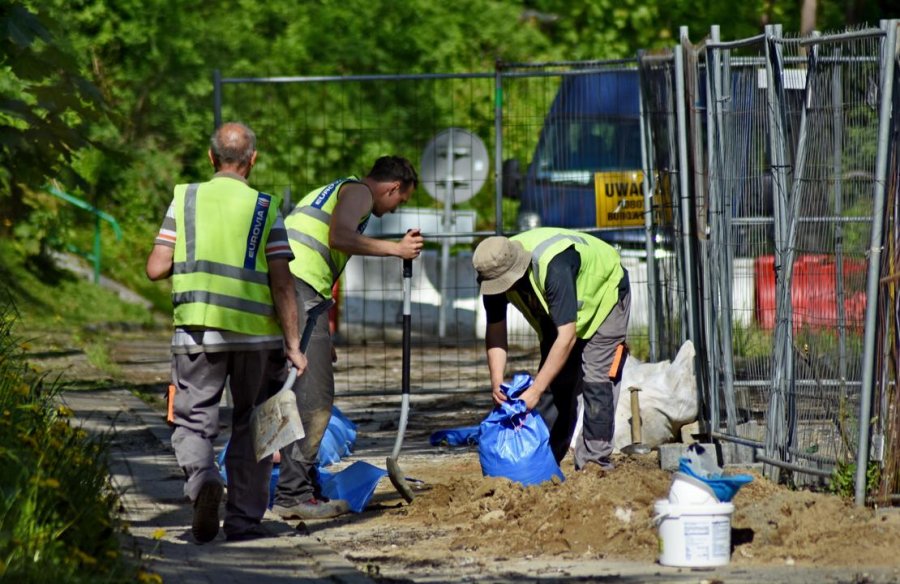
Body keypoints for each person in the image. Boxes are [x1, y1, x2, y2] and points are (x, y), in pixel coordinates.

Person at [146, 122, 307, 543]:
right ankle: (243, 523)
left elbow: (155, 267)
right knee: (259, 425)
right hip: (259, 339)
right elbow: (282, 281)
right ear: (252, 159)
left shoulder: (186, 199)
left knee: (193, 421)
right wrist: (294, 344)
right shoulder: (266, 207)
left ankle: (203, 483)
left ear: (210, 157)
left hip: (198, 335)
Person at [272, 156, 423, 520]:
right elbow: (339, 237)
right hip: (300, 286)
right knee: (316, 398)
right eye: (400, 200)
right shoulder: (358, 192)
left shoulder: (336, 189)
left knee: (285, 390)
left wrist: (318, 325)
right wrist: (396, 250)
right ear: (392, 187)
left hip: (290, 288)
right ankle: (293, 495)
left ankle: (274, 486)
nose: (396, 208)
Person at [472, 227, 631, 470]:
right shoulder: (492, 268)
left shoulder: (553, 268)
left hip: (604, 295)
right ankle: (544, 459)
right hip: (560, 311)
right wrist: (497, 382)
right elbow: (495, 330)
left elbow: (566, 338)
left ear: (515, 273)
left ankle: (594, 464)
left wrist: (534, 391)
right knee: (555, 381)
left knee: (597, 378)